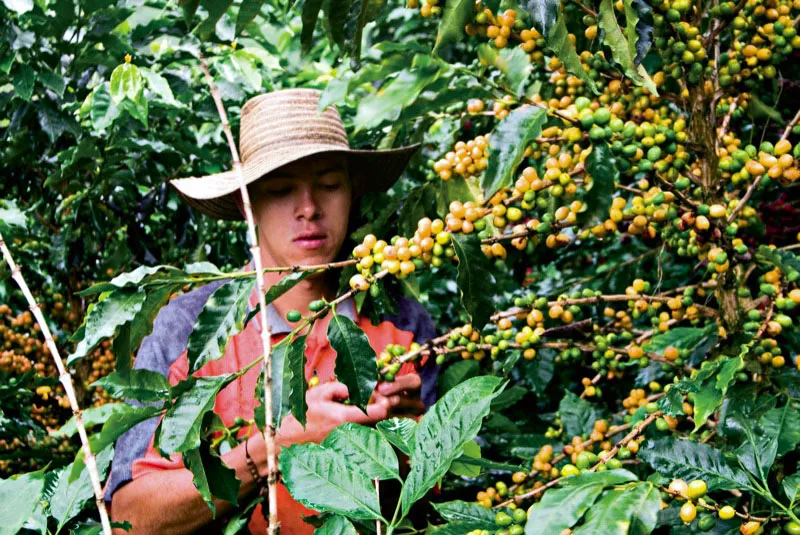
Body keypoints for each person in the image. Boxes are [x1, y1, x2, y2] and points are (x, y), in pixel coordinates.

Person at [105, 88, 438, 534]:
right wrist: (271, 450)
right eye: (281, 190)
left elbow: (433, 504)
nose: (309, 209)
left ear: (353, 191)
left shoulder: (404, 324)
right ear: (249, 206)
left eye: (329, 185)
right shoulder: (187, 330)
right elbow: (132, 517)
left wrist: (402, 450)